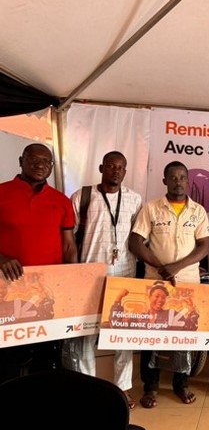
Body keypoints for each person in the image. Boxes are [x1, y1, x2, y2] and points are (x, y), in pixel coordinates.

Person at [62, 151, 142, 409]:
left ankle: (123, 388)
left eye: (121, 167)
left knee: (123, 334)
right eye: (111, 166)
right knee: (86, 334)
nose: (116, 171)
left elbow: (138, 238)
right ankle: (89, 388)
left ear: (125, 171)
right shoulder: (82, 196)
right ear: (101, 168)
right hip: (90, 275)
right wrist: (73, 274)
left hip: (125, 274)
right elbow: (69, 238)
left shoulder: (134, 199)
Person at [129, 161, 209, 408]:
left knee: (184, 336)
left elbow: (204, 247)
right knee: (152, 335)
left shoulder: (198, 211)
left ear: (188, 181)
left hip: (187, 283)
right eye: (173, 178)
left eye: (182, 177)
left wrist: (176, 267)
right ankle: (150, 386)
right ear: (164, 181)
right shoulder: (151, 208)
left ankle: (181, 384)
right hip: (155, 282)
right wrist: (160, 267)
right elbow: (135, 242)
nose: (178, 182)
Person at [0, 143, 77, 383]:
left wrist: (73, 285)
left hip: (47, 294)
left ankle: (40, 401)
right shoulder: (2, 193)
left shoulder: (61, 201)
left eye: (46, 161)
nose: (40, 165)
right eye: (34, 159)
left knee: (46, 357)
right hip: (7, 292)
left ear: (52, 167)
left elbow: (69, 246)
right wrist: (1, 258)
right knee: (7, 359)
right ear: (21, 161)